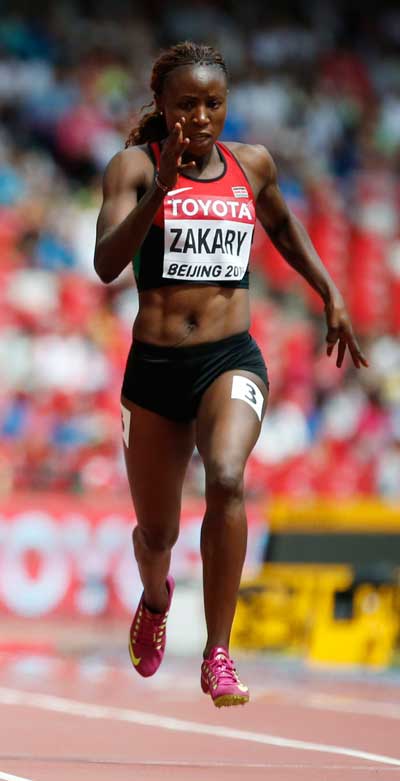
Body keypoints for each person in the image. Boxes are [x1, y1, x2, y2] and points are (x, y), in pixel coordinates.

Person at [93, 41, 368, 708]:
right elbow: (106, 262)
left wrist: (329, 289)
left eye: (213, 103)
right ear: (162, 105)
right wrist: (159, 191)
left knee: (226, 476)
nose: (201, 116)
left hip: (229, 359)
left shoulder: (253, 165)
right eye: (186, 104)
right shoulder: (134, 166)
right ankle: (156, 598)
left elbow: (282, 225)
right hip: (155, 370)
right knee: (155, 534)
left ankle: (218, 650)